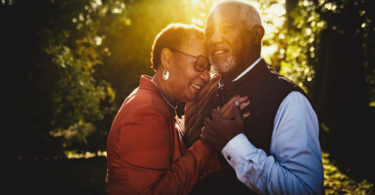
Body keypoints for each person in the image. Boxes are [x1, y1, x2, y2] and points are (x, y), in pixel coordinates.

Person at [183, 1, 324, 194]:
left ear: (257, 35)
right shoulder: (197, 94)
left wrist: (232, 143)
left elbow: (307, 190)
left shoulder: (289, 100)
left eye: (226, 28)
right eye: (209, 33)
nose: (214, 39)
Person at [106, 23, 250, 195]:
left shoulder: (160, 103)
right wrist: (209, 142)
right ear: (167, 58)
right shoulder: (147, 111)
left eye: (208, 69)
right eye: (199, 64)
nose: (205, 77)